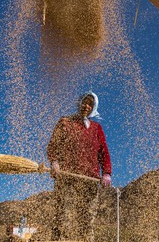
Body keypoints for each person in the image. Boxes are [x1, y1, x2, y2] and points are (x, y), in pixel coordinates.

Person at [47, 91, 112, 242]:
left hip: (89, 180)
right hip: (66, 178)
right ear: (79, 102)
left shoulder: (97, 128)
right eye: (85, 102)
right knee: (63, 219)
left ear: (94, 107)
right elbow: (53, 145)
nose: (86, 106)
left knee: (86, 222)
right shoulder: (65, 122)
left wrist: (107, 173)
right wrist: (54, 161)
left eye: (91, 103)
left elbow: (104, 152)